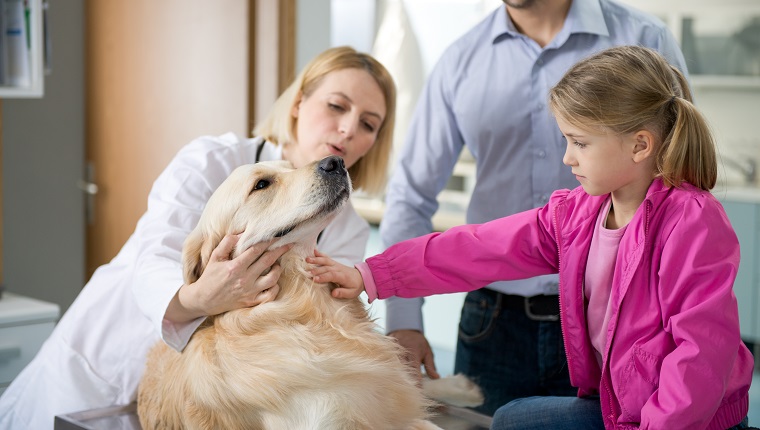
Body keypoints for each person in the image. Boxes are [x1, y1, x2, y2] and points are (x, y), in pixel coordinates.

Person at [308, 45, 754, 429]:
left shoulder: (692, 221)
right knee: (512, 418)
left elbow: (699, 357)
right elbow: (481, 248)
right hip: (624, 408)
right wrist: (372, 274)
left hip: (689, 419)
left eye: (579, 142)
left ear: (640, 146)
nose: (567, 157)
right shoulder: (577, 213)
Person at [0, 46, 396, 430]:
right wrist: (202, 297)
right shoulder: (211, 161)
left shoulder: (348, 228)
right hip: (98, 371)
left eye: (368, 124)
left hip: (223, 398)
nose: (347, 129)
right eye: (336, 106)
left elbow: (320, 322)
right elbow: (154, 260)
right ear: (298, 103)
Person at [379, 0, 689, 415]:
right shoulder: (460, 60)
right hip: (493, 325)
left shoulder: (645, 39)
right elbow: (412, 197)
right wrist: (402, 318)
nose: (569, 157)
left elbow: (678, 175)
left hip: (618, 324)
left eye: (578, 143)